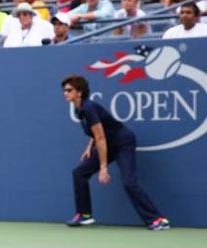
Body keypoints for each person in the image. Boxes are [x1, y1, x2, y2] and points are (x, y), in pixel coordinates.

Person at [61, 75, 171, 231]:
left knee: (129, 182)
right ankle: (84, 214)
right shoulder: (79, 110)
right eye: (64, 90)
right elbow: (97, 132)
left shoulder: (89, 107)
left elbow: (100, 136)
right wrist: (88, 147)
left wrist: (103, 167)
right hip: (107, 143)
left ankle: (158, 219)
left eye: (69, 90)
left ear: (79, 92)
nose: (65, 93)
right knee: (79, 173)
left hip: (123, 142)